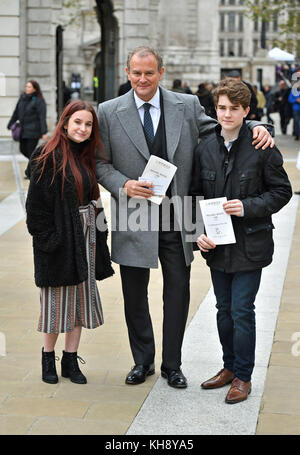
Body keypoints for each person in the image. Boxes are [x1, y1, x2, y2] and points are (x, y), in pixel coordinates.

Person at [95, 46, 274, 390]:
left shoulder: (187, 105)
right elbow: (100, 163)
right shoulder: (108, 111)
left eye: (149, 73)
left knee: (177, 292)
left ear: (161, 72)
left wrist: (258, 125)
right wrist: (124, 184)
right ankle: (142, 360)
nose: (142, 79)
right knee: (135, 294)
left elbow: (224, 124)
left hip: (181, 218)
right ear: (127, 72)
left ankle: (172, 365)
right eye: (136, 73)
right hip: (135, 216)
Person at [189, 78, 292, 404]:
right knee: (223, 309)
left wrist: (248, 207)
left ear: (246, 111)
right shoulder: (205, 148)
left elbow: (282, 191)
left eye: (234, 109)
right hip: (218, 247)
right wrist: (198, 234)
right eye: (222, 108)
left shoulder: (262, 146)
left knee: (241, 310)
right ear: (214, 109)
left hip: (251, 244)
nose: (227, 114)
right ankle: (229, 367)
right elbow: (194, 196)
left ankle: (243, 377)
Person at [26, 100, 114, 385]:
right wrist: (49, 241)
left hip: (86, 239)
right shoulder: (46, 156)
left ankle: (71, 361)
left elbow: (94, 196)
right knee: (54, 304)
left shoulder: (88, 155)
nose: (83, 128)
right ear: (65, 123)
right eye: (78, 122)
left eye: (88, 124)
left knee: (78, 302)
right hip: (59, 241)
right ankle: (47, 359)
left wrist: (100, 229)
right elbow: (35, 210)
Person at [7, 80, 48, 178]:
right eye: (26, 86)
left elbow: (42, 117)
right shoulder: (22, 98)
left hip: (34, 131)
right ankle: (40, 164)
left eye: (29, 87)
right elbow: (16, 112)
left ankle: (31, 173)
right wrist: (10, 123)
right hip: (23, 130)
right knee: (22, 149)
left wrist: (44, 132)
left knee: (30, 151)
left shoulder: (39, 101)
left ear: (35, 88)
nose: (27, 88)